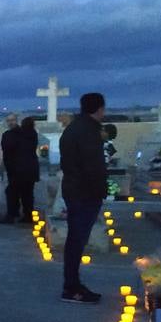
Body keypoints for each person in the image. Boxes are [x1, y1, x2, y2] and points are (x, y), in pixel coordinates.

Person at [59, 92, 108, 304]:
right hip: (85, 193)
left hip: (74, 189)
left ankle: (72, 283)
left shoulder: (73, 129)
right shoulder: (88, 132)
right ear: (99, 109)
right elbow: (93, 166)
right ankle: (71, 287)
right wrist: (101, 190)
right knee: (77, 239)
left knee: (75, 239)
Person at [14, 117, 41, 220]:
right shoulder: (33, 134)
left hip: (23, 167)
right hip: (32, 166)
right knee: (29, 193)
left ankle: (26, 214)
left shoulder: (22, 135)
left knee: (23, 193)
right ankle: (28, 213)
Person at [0, 113, 23, 223]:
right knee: (14, 191)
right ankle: (15, 212)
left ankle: (11, 214)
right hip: (12, 167)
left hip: (17, 167)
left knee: (12, 191)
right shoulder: (8, 134)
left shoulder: (17, 134)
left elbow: (7, 148)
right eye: (8, 120)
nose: (10, 122)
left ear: (16, 120)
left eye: (12, 120)